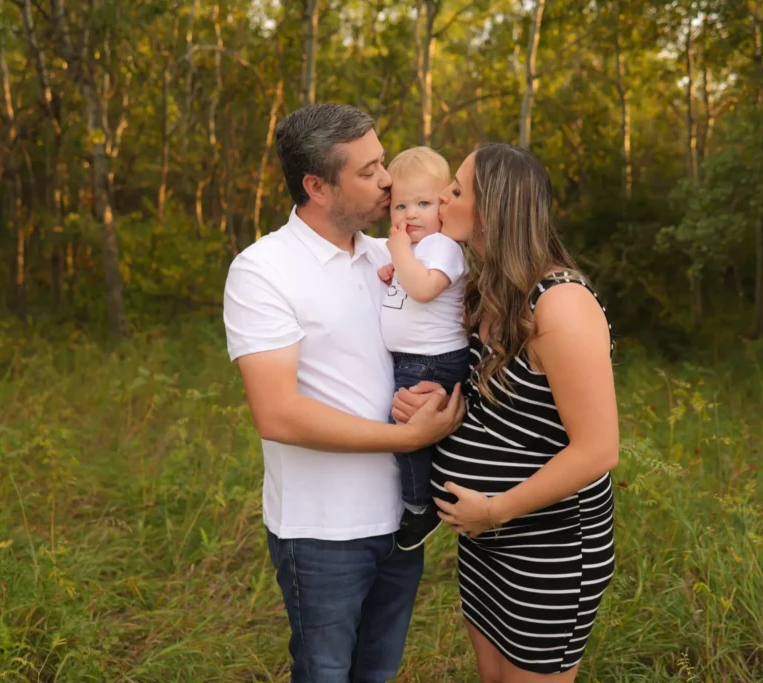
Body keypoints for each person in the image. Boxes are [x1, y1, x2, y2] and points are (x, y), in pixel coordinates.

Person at [222, 103, 465, 683]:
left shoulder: (391, 258)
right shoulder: (263, 270)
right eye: (368, 170)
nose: (387, 180)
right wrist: (406, 434)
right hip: (322, 531)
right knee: (325, 673)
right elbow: (278, 414)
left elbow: (434, 344)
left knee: (377, 674)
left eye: (384, 162)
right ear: (317, 186)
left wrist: (432, 397)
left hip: (402, 524)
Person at [392, 142, 619, 682]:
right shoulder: (490, 291)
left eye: (455, 190)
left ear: (492, 207)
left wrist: (495, 511)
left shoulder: (561, 304)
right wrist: (438, 405)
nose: (440, 199)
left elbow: (598, 448)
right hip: (484, 540)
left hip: (549, 546)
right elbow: (506, 410)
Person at [377, 146, 471, 551]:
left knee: (408, 430)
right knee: (412, 425)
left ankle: (420, 506)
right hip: (416, 359)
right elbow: (408, 283)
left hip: (432, 360)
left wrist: (397, 254)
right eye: (400, 205)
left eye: (423, 203)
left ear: (443, 207)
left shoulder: (443, 246)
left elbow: (425, 288)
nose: (410, 214)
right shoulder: (417, 251)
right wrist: (394, 268)